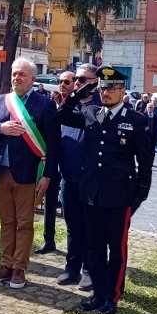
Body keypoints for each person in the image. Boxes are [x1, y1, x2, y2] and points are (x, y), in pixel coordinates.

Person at [57, 66, 153, 314]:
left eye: (111, 88)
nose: (106, 93)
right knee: (94, 247)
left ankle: (113, 296)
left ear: (122, 91)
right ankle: (98, 293)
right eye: (102, 88)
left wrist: (140, 195)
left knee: (116, 250)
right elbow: (61, 115)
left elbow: (145, 163)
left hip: (119, 196)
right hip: (91, 194)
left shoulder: (136, 121)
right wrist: (78, 94)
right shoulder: (90, 113)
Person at [0, 57, 60, 289]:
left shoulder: (45, 104)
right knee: (7, 222)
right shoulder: (1, 101)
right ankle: (5, 265)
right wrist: (0, 128)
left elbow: (54, 144)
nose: (17, 78)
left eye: (22, 74)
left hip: (28, 174)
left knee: (24, 223)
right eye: (14, 73)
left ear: (33, 79)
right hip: (1, 172)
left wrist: (48, 175)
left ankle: (19, 268)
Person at [53, 63, 99, 291]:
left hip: (91, 179)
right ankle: (72, 268)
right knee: (72, 226)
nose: (78, 84)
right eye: (77, 80)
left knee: (91, 227)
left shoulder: (101, 107)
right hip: (68, 177)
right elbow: (59, 117)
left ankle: (89, 271)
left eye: (83, 80)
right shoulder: (69, 108)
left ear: (95, 82)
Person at [35, 69, 75, 255]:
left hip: (70, 161)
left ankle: (74, 246)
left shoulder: (76, 106)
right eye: (60, 81)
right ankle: (48, 239)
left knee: (70, 209)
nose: (62, 84)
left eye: (67, 82)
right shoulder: (52, 103)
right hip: (51, 161)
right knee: (49, 203)